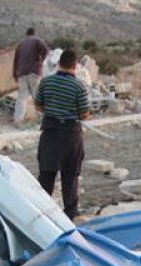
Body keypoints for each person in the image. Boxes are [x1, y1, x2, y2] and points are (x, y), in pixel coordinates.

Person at [34, 49, 90, 220]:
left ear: (59, 64)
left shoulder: (45, 82)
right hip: (71, 135)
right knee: (70, 176)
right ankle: (70, 215)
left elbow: (38, 106)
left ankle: (41, 212)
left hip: (50, 133)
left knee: (46, 175)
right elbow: (84, 114)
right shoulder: (79, 87)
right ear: (74, 66)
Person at [12, 27, 49, 127]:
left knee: (21, 97)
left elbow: (15, 60)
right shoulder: (37, 40)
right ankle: (42, 119)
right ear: (34, 33)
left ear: (26, 34)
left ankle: (17, 120)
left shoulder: (20, 44)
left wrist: (15, 74)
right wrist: (41, 60)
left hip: (22, 73)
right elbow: (46, 50)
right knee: (37, 96)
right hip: (34, 71)